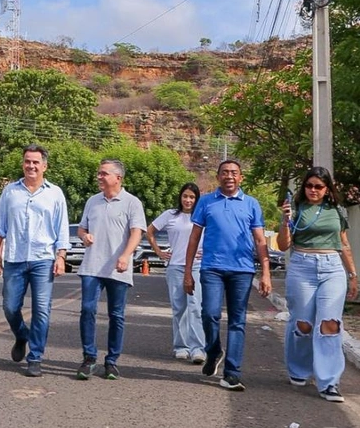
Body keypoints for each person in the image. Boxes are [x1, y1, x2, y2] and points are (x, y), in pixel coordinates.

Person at [184, 160, 272, 391]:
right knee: (209, 313)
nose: (229, 176)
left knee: (237, 321)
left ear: (241, 177)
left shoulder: (251, 204)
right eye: (225, 172)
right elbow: (194, 238)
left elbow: (260, 240)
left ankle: (232, 373)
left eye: (234, 173)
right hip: (212, 268)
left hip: (242, 270)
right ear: (218, 177)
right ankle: (214, 351)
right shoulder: (206, 202)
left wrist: (266, 273)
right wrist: (187, 272)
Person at [276, 166, 358, 403]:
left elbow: (344, 243)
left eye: (319, 186)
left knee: (330, 324)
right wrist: (285, 221)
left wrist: (353, 274)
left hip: (332, 267)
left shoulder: (337, 210)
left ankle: (329, 382)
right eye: (309, 186)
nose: (313, 190)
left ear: (327, 189)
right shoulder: (296, 209)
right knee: (303, 324)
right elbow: (283, 245)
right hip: (302, 266)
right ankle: (299, 369)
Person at [0, 144, 69, 377]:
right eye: (27, 161)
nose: (31, 166)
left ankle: (35, 357)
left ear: (44, 166)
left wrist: (61, 257)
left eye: (35, 162)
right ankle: (21, 335)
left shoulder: (55, 193)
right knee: (10, 307)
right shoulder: (10, 191)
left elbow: (62, 228)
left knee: (41, 310)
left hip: (43, 259)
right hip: (15, 258)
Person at [73, 159, 147, 380]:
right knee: (87, 310)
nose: (99, 177)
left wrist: (125, 255)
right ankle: (89, 358)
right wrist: (84, 236)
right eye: (99, 173)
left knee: (116, 315)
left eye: (104, 173)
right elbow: (81, 228)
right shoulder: (92, 201)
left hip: (118, 268)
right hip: (92, 266)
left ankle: (112, 361)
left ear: (118, 178)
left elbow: (137, 232)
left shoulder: (132, 203)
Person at [147, 182, 206, 364]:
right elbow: (149, 231)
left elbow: (215, 236)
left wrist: (207, 251)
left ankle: (198, 348)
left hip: (197, 266)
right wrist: (159, 252)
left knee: (195, 307)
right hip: (175, 267)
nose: (188, 200)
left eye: (192, 197)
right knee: (179, 307)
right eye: (185, 196)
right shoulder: (170, 215)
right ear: (180, 197)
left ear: (196, 199)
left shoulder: (202, 215)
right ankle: (181, 346)